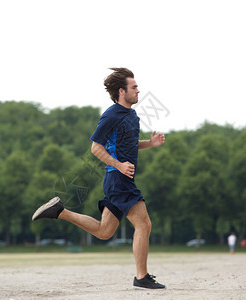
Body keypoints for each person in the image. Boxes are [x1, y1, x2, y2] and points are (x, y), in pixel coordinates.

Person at [31, 68, 166, 289]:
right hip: (118, 179)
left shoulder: (131, 115)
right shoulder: (111, 115)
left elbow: (129, 146)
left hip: (120, 180)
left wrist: (150, 144)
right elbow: (96, 147)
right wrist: (118, 165)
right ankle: (141, 277)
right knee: (144, 224)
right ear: (122, 91)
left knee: (104, 232)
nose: (138, 90)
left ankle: (59, 211)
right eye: (134, 87)